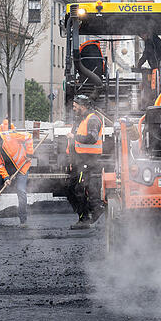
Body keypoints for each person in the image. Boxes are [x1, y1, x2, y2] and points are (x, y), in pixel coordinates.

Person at [66, 95, 105, 229]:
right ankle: (86, 214)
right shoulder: (80, 120)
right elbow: (73, 144)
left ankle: (87, 217)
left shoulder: (92, 119)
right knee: (71, 188)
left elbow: (92, 138)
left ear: (82, 106)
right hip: (79, 160)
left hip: (89, 160)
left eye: (75, 106)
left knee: (79, 188)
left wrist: (75, 136)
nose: (74, 108)